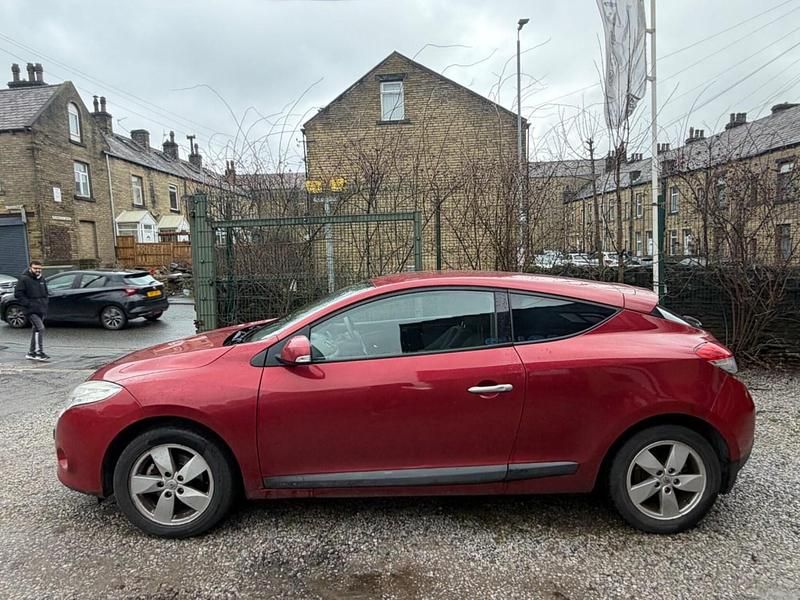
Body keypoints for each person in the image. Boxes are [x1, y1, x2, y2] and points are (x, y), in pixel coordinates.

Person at [15, 260, 50, 361]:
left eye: (39, 268)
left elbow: (45, 293)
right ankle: (39, 352)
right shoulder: (24, 279)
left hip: (41, 309)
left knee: (36, 330)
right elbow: (18, 294)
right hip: (30, 310)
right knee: (40, 328)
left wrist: (45, 302)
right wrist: (28, 304)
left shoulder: (42, 279)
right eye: (35, 268)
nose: (38, 270)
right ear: (30, 268)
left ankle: (31, 352)